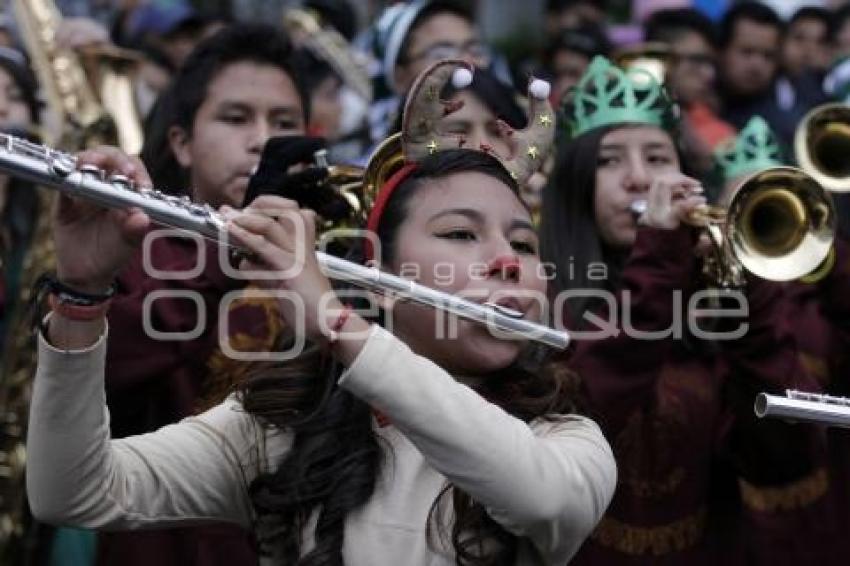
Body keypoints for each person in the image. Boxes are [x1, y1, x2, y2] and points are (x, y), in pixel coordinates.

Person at [25, 140, 617, 565]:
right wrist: (82, 294)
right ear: (380, 274)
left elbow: (540, 498)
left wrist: (338, 322)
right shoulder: (279, 427)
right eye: (461, 233)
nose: (507, 260)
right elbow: (72, 491)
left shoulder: (568, 440)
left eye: (523, 242)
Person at [540, 55, 832, 565]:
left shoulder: (705, 294)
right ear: (575, 185)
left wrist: (747, 299)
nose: (638, 179)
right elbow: (580, 410)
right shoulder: (539, 295)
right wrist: (657, 263)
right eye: (609, 160)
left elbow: (790, 454)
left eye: (657, 157)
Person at [96, 23, 309, 566]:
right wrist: (228, 254)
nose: (263, 139)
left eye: (284, 123)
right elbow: (103, 369)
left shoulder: (332, 257)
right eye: (236, 118)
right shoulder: (133, 248)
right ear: (182, 144)